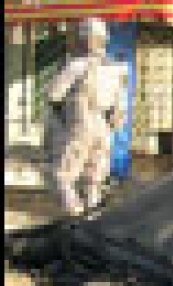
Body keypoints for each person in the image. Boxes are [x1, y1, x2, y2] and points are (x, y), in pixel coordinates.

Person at [47, 18, 126, 215]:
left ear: (84, 40)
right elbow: (120, 107)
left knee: (62, 176)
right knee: (94, 181)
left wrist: (64, 122)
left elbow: (53, 95)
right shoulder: (116, 69)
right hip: (104, 129)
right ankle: (93, 220)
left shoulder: (77, 66)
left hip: (81, 125)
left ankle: (76, 215)